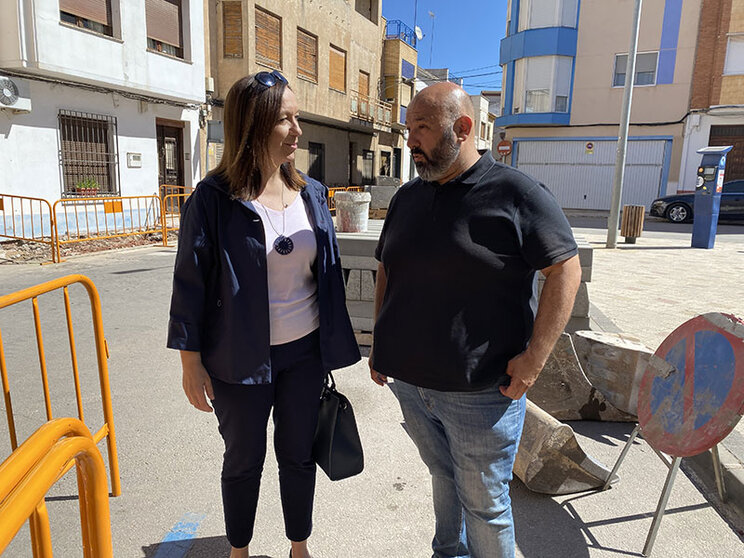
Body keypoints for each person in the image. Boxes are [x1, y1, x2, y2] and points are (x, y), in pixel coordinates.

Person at [369, 82, 582, 558]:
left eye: (421, 128)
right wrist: (382, 342)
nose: (410, 141)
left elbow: (565, 268)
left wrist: (533, 361)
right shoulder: (408, 197)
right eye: (408, 128)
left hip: (481, 394)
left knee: (485, 506)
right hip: (412, 385)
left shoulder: (516, 192)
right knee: (443, 477)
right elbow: (387, 266)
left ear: (462, 128)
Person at [167, 70, 360, 558]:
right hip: (238, 358)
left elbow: (328, 274)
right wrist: (191, 362)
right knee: (243, 459)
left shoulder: (313, 194)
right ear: (252, 126)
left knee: (297, 455)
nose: (297, 130)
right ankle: (239, 549)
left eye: (298, 118)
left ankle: (300, 545)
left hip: (304, 354)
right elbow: (190, 282)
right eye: (284, 120)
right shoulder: (213, 199)